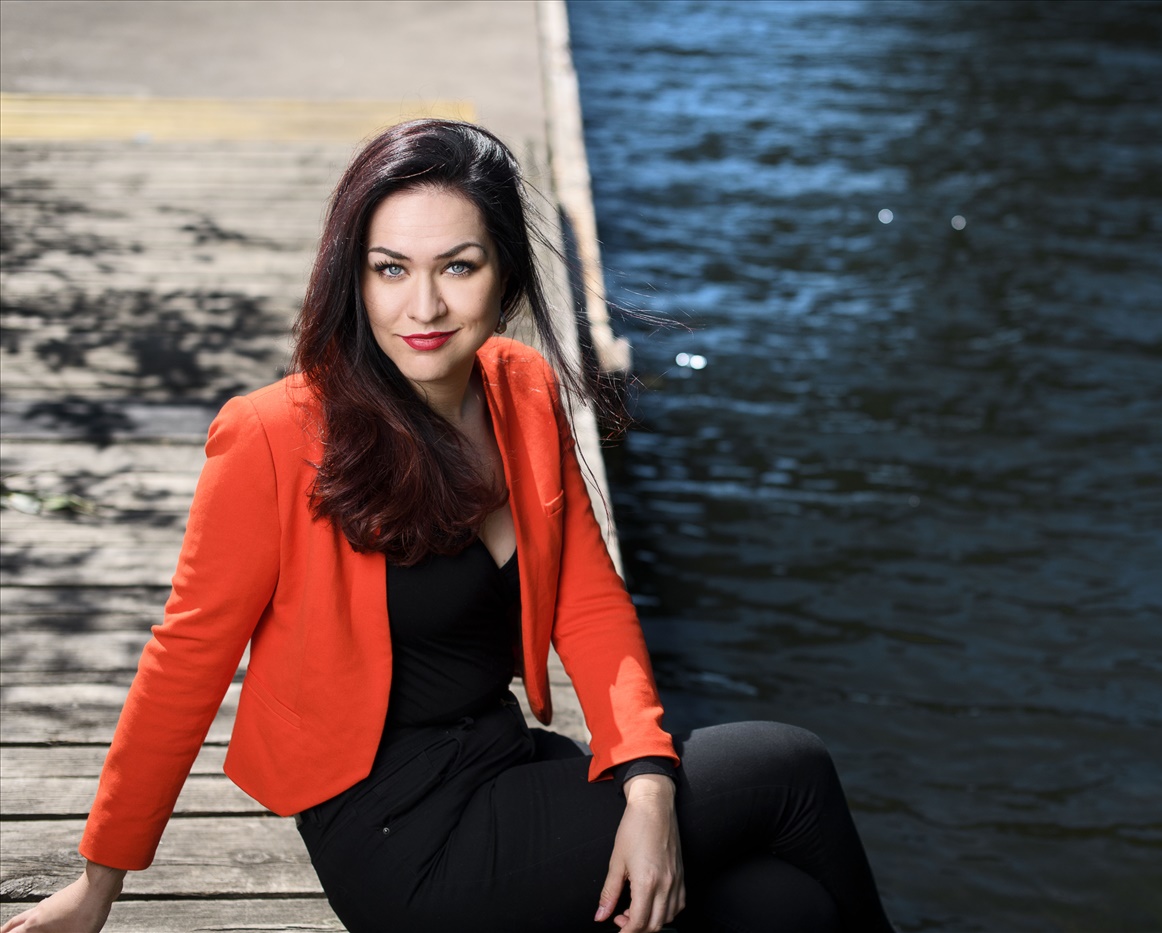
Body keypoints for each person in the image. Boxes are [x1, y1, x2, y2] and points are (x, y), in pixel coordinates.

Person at [0, 120, 896, 933]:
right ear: (353, 277)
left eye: (457, 267)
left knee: (787, 906)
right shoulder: (274, 434)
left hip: (506, 761)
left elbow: (589, 603)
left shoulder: (523, 390)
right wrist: (100, 882)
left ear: (504, 274)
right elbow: (185, 660)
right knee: (790, 766)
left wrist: (647, 782)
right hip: (395, 830)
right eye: (391, 268)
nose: (422, 307)